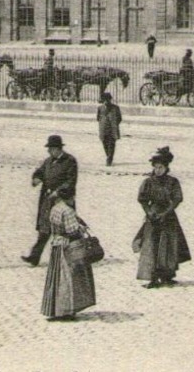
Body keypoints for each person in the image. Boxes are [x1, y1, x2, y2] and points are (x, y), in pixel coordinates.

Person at [135, 146, 190, 287]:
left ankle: (167, 275)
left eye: (161, 167)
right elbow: (142, 199)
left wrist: (166, 213)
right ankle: (152, 277)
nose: (158, 170)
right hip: (152, 216)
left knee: (168, 246)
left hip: (168, 216)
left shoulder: (173, 182)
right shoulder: (148, 182)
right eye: (156, 167)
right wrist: (149, 212)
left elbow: (178, 198)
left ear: (166, 168)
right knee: (151, 245)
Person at [39, 190, 97, 321]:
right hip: (68, 246)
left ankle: (55, 309)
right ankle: (67, 310)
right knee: (69, 279)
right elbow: (72, 230)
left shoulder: (55, 208)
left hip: (56, 245)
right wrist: (81, 229)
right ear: (70, 197)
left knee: (57, 278)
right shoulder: (68, 211)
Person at [24, 135, 79, 266]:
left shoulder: (70, 161)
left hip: (63, 201)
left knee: (67, 231)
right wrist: (36, 178)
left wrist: (59, 192)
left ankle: (77, 254)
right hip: (47, 200)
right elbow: (40, 172)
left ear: (58, 149)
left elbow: (71, 181)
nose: (49, 151)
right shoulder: (48, 161)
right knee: (44, 230)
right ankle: (34, 257)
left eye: (51, 149)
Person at [96, 91, 123, 167]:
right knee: (105, 144)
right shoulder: (100, 108)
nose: (106, 101)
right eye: (104, 100)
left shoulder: (115, 108)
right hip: (103, 130)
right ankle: (108, 156)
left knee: (111, 144)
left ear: (110, 100)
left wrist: (114, 125)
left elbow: (119, 118)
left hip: (112, 130)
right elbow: (98, 118)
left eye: (108, 100)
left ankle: (109, 159)